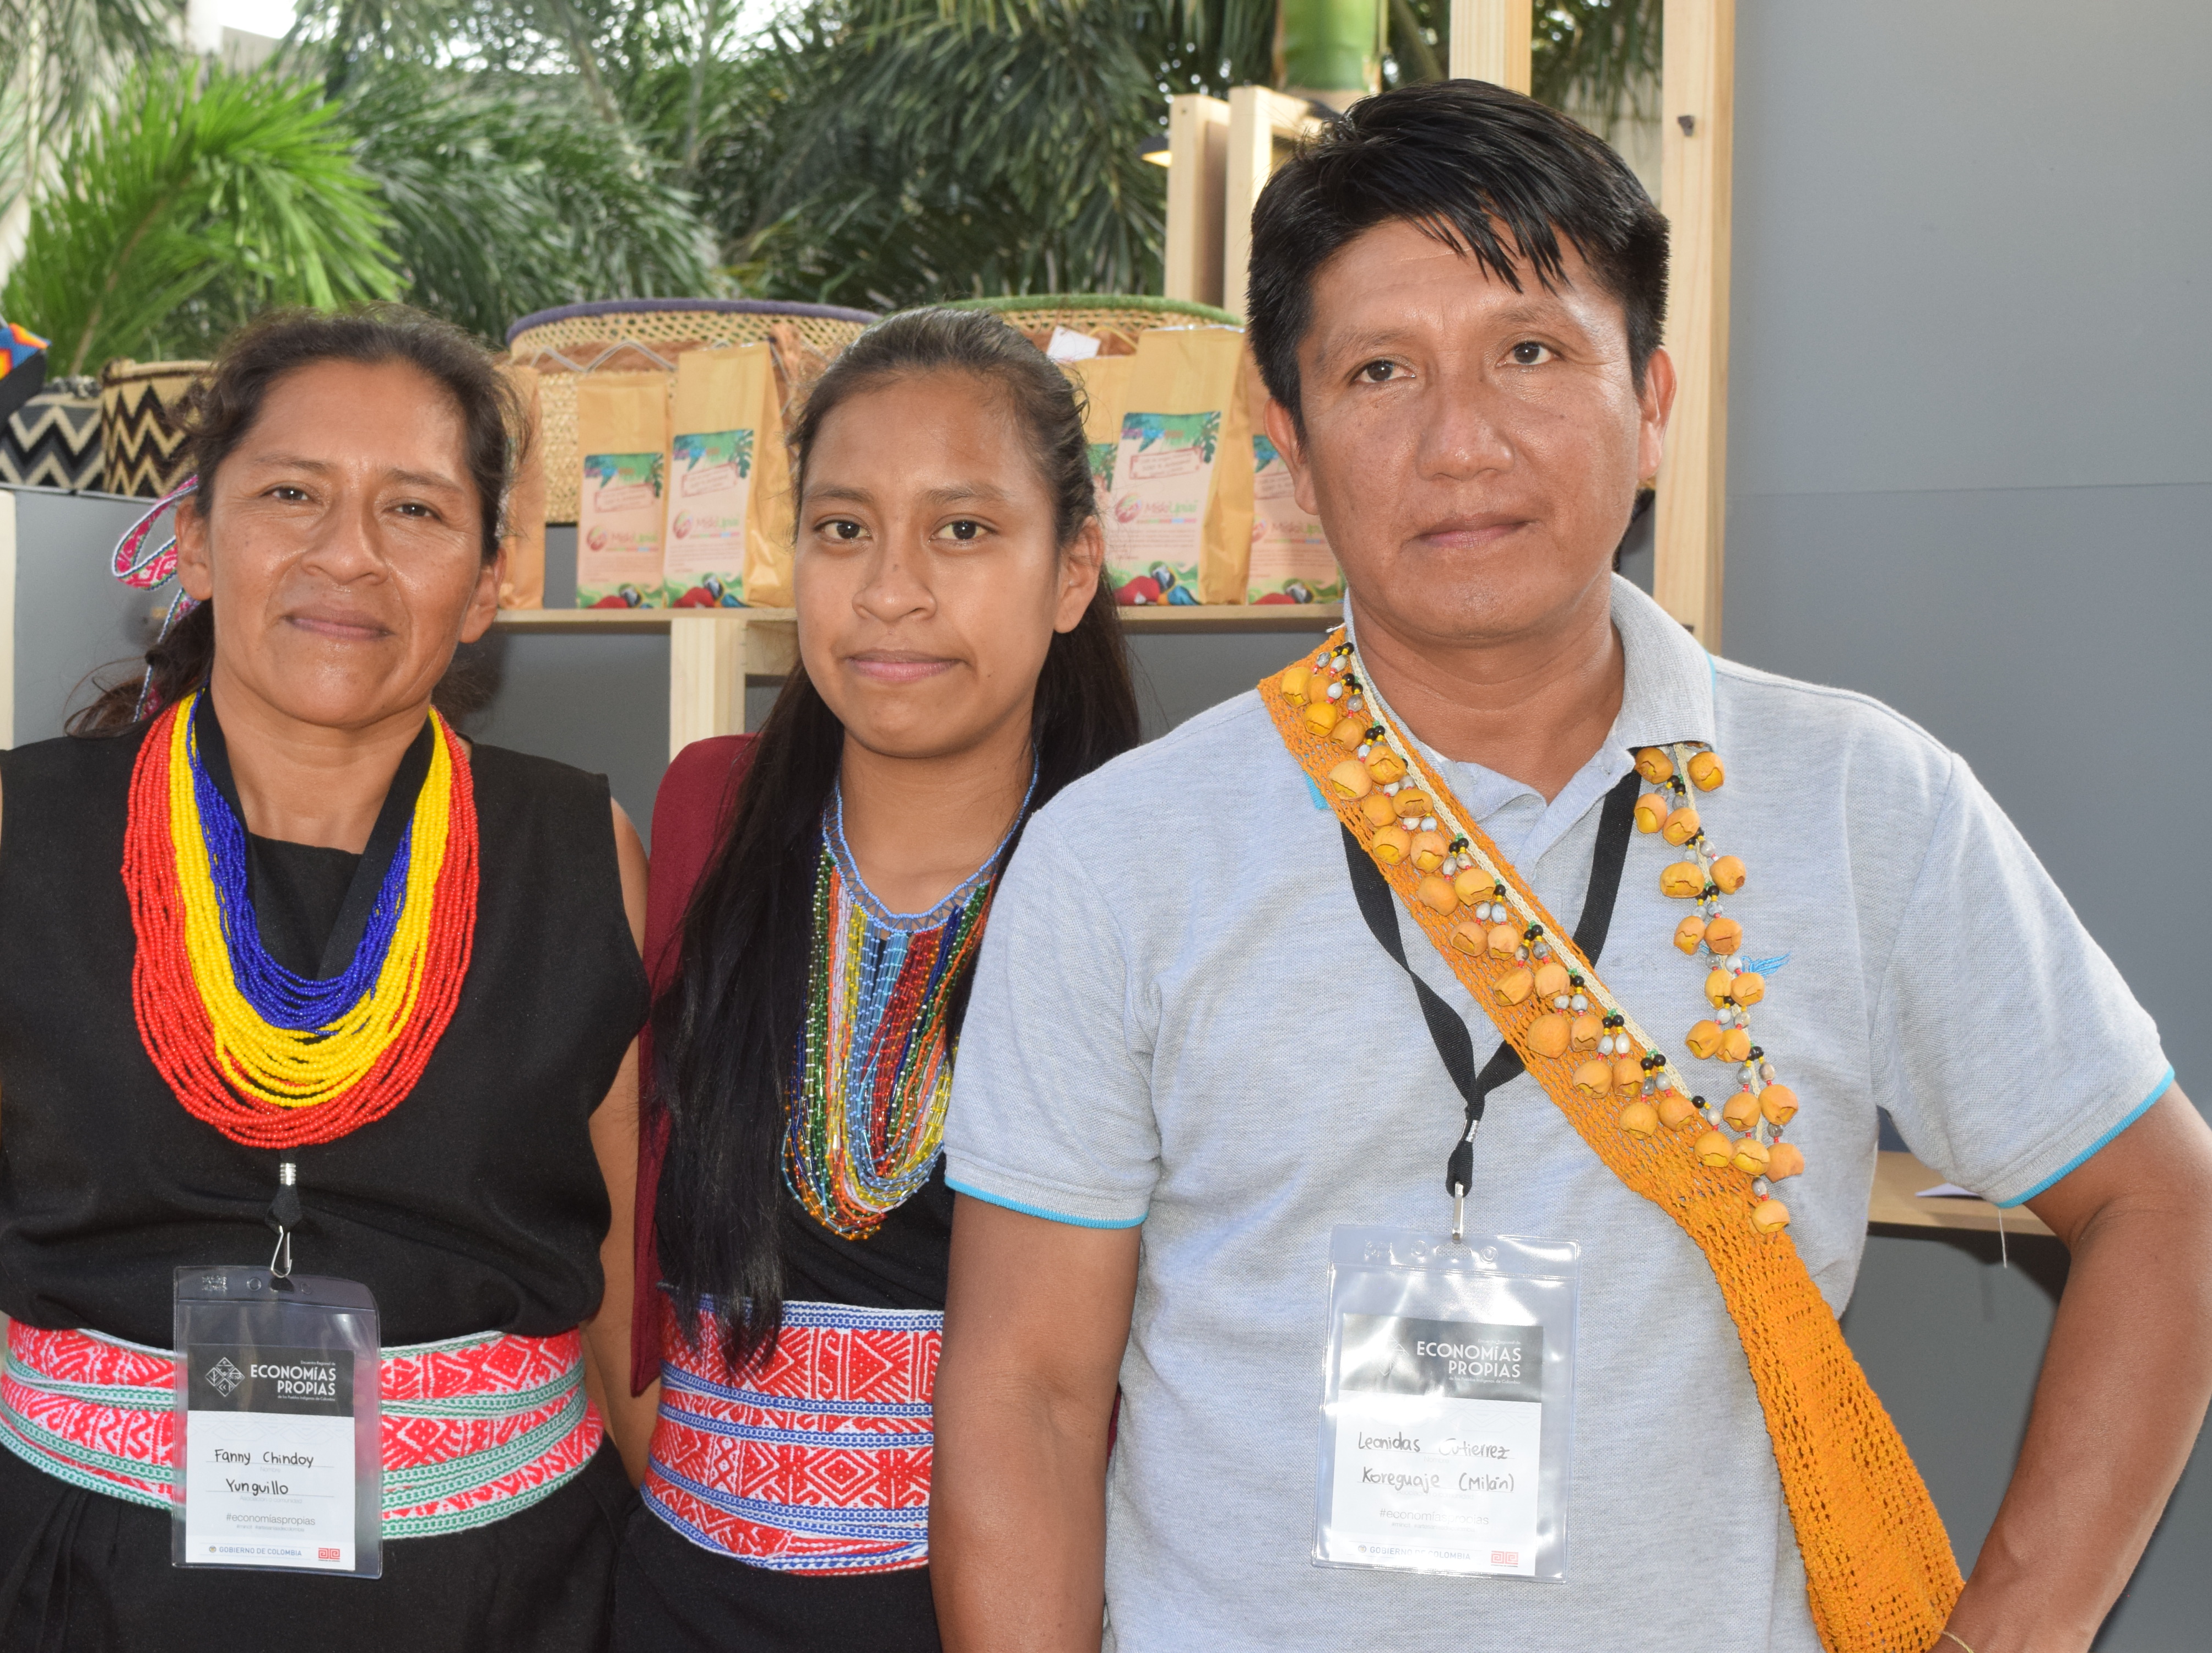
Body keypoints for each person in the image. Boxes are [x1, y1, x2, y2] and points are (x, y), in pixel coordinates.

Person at [929, 81, 2212, 1652]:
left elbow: (2168, 1207)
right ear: (1290, 445)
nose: (1461, 442)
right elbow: (1028, 1401)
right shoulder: (1117, 861)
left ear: (1651, 397)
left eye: (1531, 353)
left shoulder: (1858, 801)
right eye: (1381, 371)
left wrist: (2014, 1631)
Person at [0, 306, 649, 1652]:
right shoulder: (13, 839)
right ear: (199, 540)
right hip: (74, 1593)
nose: (347, 556)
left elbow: (628, 1297)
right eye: (290, 495)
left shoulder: (584, 856)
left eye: (416, 512)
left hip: (511, 1597)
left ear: (491, 580)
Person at [610, 307, 1139, 1650]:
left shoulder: (1144, 876)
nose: (891, 588)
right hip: (680, 1586)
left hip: (999, 1602)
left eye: (963, 530)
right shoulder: (703, 816)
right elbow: (618, 1195)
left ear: (1072, 569)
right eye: (844, 529)